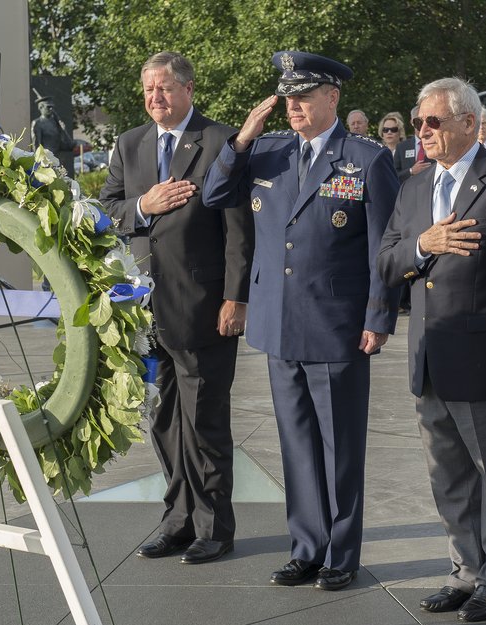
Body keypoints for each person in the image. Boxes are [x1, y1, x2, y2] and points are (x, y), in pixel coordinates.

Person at [203, 51, 400, 591]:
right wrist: (241, 140)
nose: (292, 106)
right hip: (278, 321)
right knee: (296, 444)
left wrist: (378, 314)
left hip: (336, 324)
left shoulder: (365, 158)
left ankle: (341, 553)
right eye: (288, 97)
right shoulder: (266, 153)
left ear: (332, 98)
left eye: (303, 96)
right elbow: (214, 195)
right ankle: (307, 547)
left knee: (339, 447)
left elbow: (384, 244)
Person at [377, 77, 486, 623]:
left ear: (469, 124)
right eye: (418, 121)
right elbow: (384, 261)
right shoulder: (413, 186)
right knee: (447, 478)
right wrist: (424, 244)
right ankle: (465, 572)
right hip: (429, 356)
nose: (421, 132)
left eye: (432, 123)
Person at [99, 51, 254, 565]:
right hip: (146, 311)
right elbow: (107, 210)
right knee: (164, 421)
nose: (155, 99)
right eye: (148, 91)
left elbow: (238, 231)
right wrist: (146, 204)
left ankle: (214, 526)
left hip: (204, 308)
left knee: (205, 422)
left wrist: (236, 298)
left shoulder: (220, 142)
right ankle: (178, 520)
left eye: (164, 89)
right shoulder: (129, 143)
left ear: (189, 89)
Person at [395, 105, 433, 182]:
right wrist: (411, 171)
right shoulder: (402, 147)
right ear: (412, 122)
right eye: (418, 121)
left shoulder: (437, 143)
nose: (422, 125)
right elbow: (393, 174)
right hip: (409, 190)